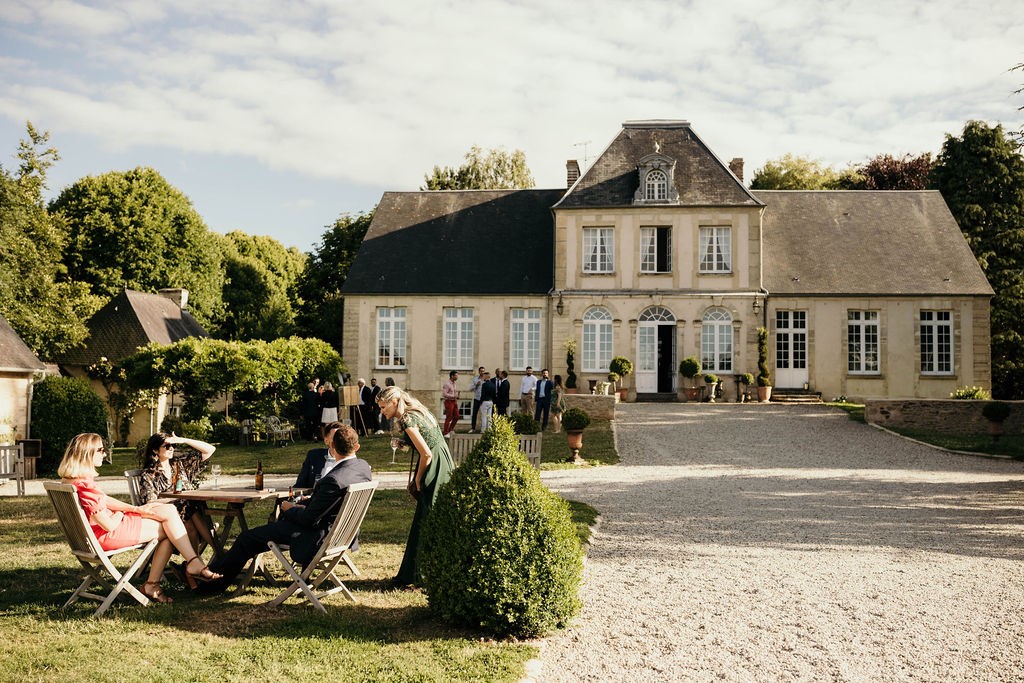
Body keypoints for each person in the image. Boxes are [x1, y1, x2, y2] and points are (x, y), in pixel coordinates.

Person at [200, 425, 372, 593]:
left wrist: (290, 509)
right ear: (356, 446)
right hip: (338, 533)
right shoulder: (362, 467)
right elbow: (331, 503)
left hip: (314, 535)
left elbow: (308, 519)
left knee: (247, 538)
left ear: (332, 447)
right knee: (254, 536)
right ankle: (210, 573)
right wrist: (310, 501)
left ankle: (211, 583)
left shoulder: (333, 479)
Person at [58, 433, 221, 604]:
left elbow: (104, 500)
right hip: (106, 535)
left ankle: (169, 576)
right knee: (169, 524)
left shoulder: (74, 481)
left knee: (169, 513)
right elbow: (108, 525)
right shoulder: (85, 485)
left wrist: (134, 509)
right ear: (87, 453)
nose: (104, 454)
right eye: (100, 450)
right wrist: (122, 513)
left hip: (96, 535)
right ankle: (188, 565)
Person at [376, 385, 455, 587]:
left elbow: (427, 454)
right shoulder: (419, 410)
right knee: (431, 516)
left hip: (434, 467)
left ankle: (419, 575)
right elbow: (430, 441)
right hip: (444, 461)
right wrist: (405, 444)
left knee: (426, 519)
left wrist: (418, 479)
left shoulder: (407, 419)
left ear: (394, 402)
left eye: (384, 407)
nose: (382, 411)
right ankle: (425, 572)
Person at [138, 432, 218, 554]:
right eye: (167, 446)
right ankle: (217, 552)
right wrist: (175, 498)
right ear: (155, 450)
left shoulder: (179, 465)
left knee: (192, 507)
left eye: (173, 445)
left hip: (188, 509)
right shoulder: (149, 474)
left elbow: (210, 449)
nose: (171, 449)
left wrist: (184, 440)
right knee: (189, 509)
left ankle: (197, 562)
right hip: (168, 515)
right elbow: (149, 501)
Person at [294, 421, 343, 488]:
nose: (339, 440)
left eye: (341, 437)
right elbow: (300, 485)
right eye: (335, 437)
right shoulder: (314, 456)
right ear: (326, 441)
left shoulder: (348, 463)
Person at [442, 370, 460, 437]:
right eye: (456, 375)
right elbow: (444, 394)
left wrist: (456, 396)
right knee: (449, 417)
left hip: (454, 401)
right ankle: (445, 432)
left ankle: (450, 430)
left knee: (457, 416)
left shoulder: (454, 383)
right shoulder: (447, 384)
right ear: (452, 376)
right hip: (448, 401)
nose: (457, 377)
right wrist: (453, 396)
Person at [469, 366, 486, 432]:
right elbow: (470, 388)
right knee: (474, 414)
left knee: (483, 414)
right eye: (481, 371)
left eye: (483, 371)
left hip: (483, 399)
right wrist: (476, 385)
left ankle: (483, 429)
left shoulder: (486, 379)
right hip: (477, 398)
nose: (482, 372)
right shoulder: (475, 379)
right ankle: (473, 428)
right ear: (479, 372)